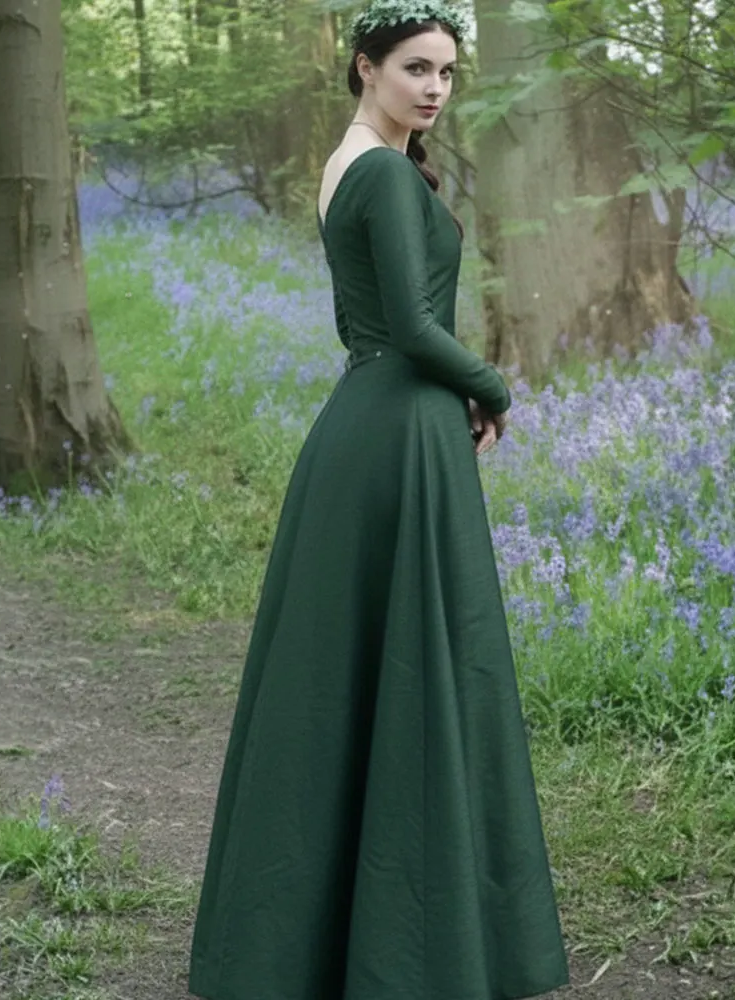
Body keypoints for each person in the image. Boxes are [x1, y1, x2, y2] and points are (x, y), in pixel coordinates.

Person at [187, 2, 571, 998]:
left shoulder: (353, 161)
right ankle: (413, 947)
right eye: (414, 67)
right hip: (399, 434)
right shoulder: (382, 174)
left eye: (446, 70)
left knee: (342, 685)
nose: (434, 87)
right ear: (365, 67)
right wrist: (491, 387)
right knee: (408, 672)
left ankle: (318, 946)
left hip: (371, 427)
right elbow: (410, 324)